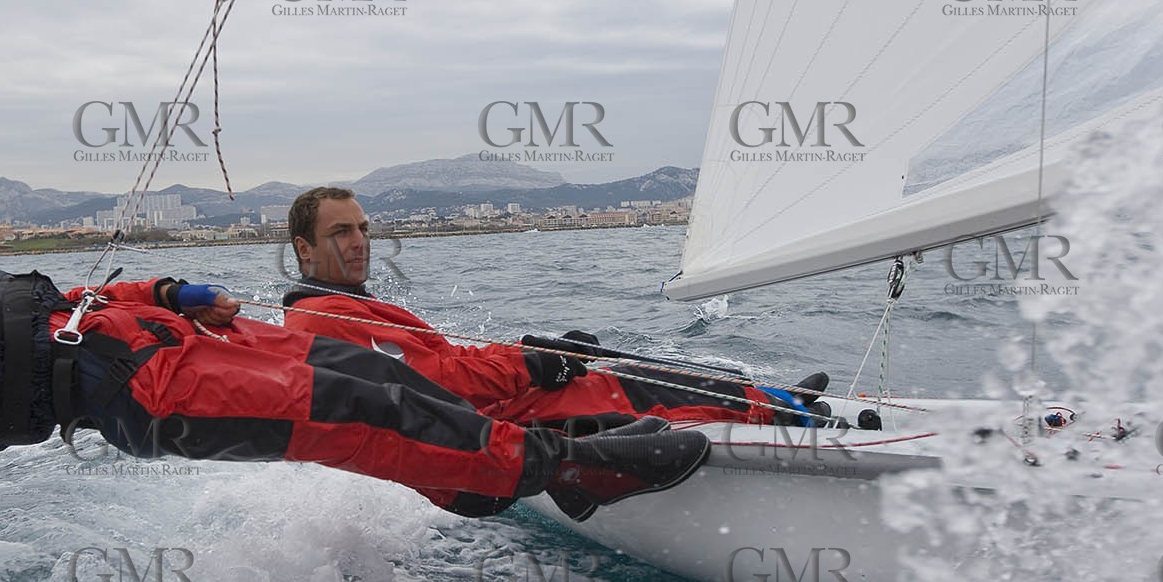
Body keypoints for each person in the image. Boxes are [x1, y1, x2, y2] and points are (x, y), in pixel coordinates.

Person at [0, 212, 713, 522]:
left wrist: (164, 294)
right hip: (144, 396)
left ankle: (489, 448)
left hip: (168, 341)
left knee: (377, 365)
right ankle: (553, 468)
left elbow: (72, 307)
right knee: (350, 406)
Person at [279, 187, 833, 433]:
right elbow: (429, 381)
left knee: (619, 368)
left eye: (364, 229)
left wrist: (532, 351)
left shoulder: (341, 306)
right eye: (341, 232)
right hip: (496, 425)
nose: (360, 242)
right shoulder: (326, 318)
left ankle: (770, 398)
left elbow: (444, 359)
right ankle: (784, 417)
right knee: (629, 388)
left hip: (499, 405)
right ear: (303, 247)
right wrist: (530, 366)